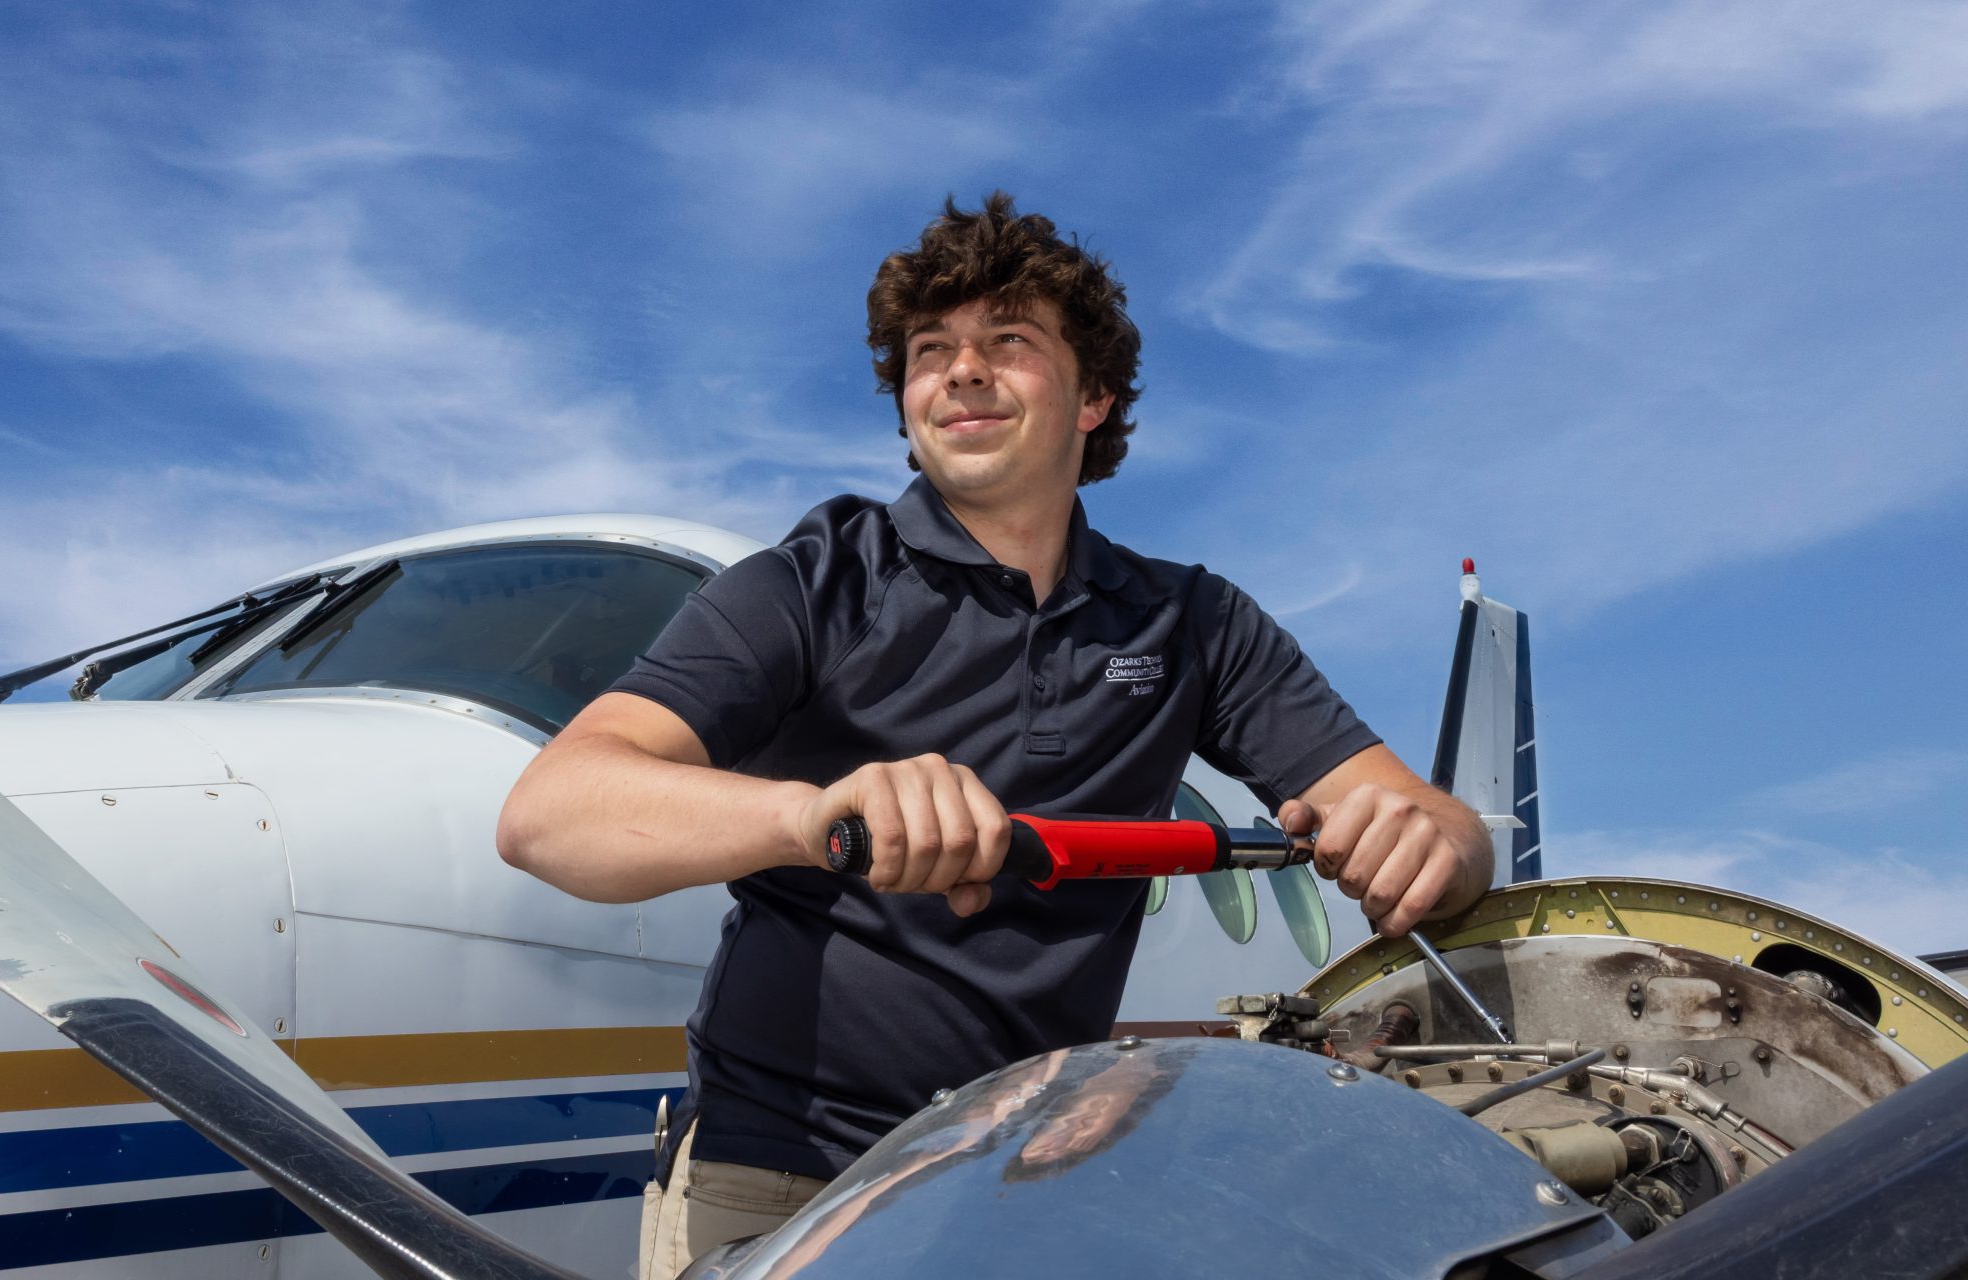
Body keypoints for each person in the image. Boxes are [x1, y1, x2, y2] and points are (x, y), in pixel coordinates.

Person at [495, 192, 1494, 1280]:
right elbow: (549, 813)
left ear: (1094, 397)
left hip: (1025, 1187)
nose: (961, 371)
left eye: (1008, 340)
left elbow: (1433, 822)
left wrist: (1433, 844)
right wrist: (815, 814)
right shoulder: (810, 584)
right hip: (782, 1179)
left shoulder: (1193, 624)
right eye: (931, 350)